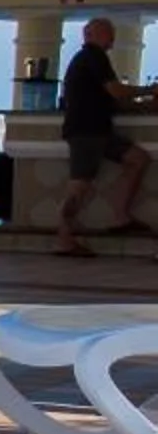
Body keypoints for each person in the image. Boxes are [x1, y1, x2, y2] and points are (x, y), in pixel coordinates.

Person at [56, 17, 150, 257]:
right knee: (79, 186)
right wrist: (148, 90)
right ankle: (65, 238)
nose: (112, 39)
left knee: (138, 159)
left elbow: (110, 97)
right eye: (108, 33)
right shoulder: (93, 56)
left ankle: (121, 216)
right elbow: (116, 90)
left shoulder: (91, 59)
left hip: (100, 130)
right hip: (86, 132)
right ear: (91, 35)